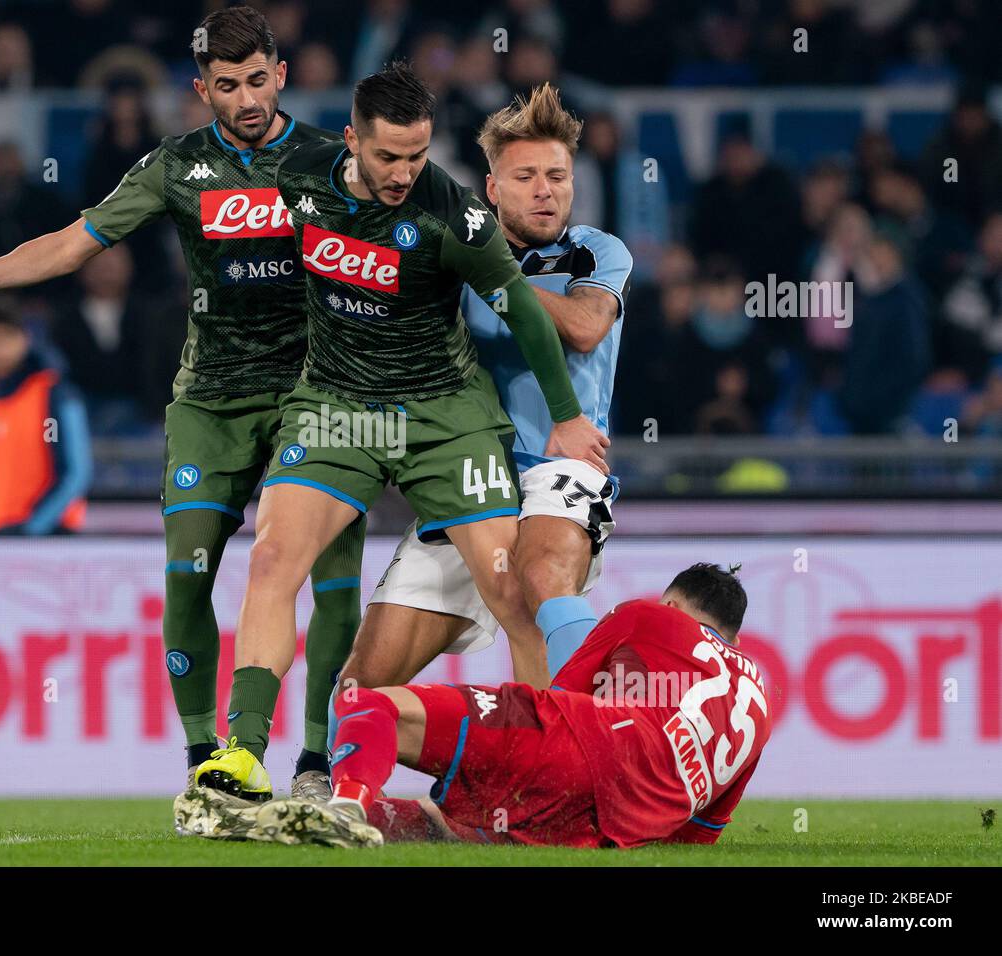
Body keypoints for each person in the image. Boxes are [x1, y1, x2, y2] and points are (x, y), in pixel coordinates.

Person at [0, 6, 366, 800]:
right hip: (210, 400)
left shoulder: (332, 162)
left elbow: (409, 248)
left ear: (281, 76)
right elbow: (72, 244)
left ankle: (316, 761)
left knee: (330, 575)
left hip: (314, 397)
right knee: (187, 579)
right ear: (200, 90)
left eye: (257, 80)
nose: (246, 99)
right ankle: (204, 762)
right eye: (226, 85)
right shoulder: (175, 166)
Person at [192, 63, 607, 801]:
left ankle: (554, 775)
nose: (403, 173)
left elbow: (521, 313)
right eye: (388, 156)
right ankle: (244, 753)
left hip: (444, 416)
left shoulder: (456, 215)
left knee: (511, 594)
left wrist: (568, 418)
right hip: (336, 408)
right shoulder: (301, 176)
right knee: (272, 558)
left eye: (417, 156)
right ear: (351, 140)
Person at [339, 84, 632, 710]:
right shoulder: (450, 256)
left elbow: (585, 328)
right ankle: (342, 801)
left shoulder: (596, 252)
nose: (545, 189)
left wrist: (492, 275)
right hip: (465, 477)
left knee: (540, 576)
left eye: (557, 175)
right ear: (493, 190)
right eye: (525, 176)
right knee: (360, 690)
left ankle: (591, 750)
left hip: (560, 467)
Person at [177, 563, 771, 850]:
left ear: (673, 602)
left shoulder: (648, 616)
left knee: (370, 704)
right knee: (456, 830)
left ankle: (345, 806)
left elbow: (559, 698)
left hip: (587, 741)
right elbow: (699, 837)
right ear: (734, 637)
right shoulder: (761, 703)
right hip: (610, 826)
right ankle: (291, 827)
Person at [0, 299, 91, 536]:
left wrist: (31, 528)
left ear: (25, 339)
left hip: (50, 540)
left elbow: (75, 474)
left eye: (6, 337)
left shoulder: (54, 395)